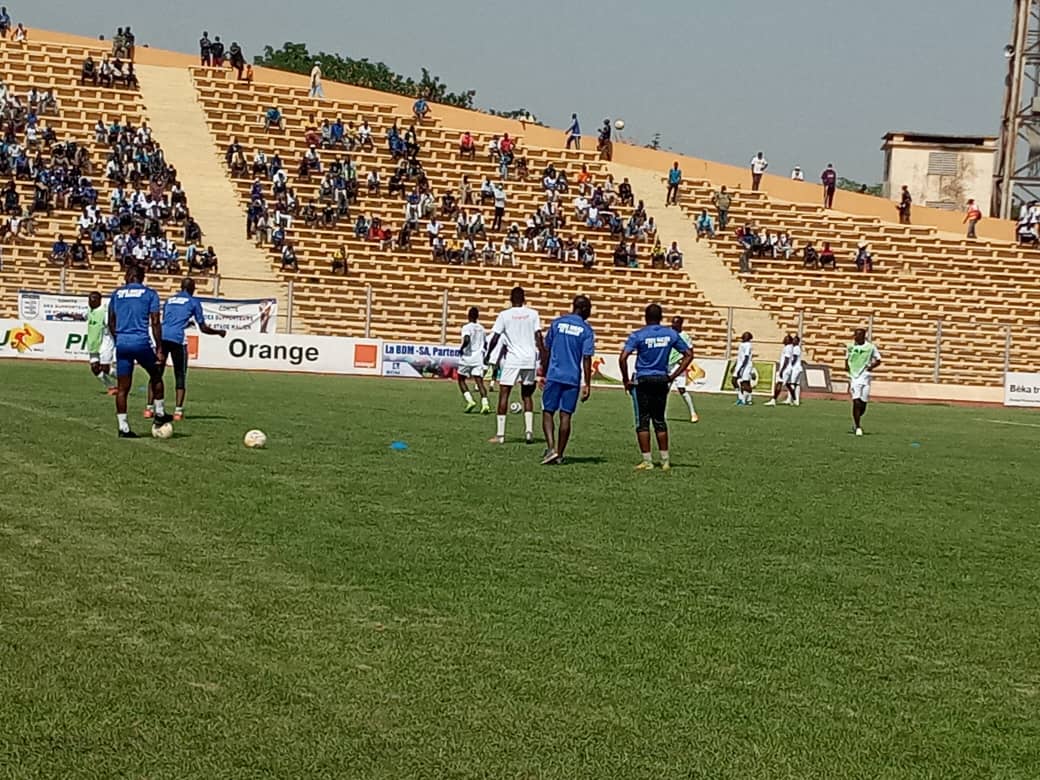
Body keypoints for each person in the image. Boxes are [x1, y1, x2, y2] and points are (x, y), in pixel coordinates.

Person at [619, 304, 694, 471]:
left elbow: (623, 358)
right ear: (661, 317)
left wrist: (626, 380)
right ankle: (665, 460)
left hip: (643, 380)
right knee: (660, 420)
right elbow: (689, 354)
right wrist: (672, 376)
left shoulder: (638, 335)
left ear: (645, 317)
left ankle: (647, 460)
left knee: (642, 421)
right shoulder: (670, 334)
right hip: (661, 379)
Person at [145, 277, 227, 421]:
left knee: (156, 374)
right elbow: (203, 327)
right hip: (177, 339)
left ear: (181, 287)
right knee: (180, 374)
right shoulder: (194, 302)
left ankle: (149, 408)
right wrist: (218, 332)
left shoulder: (170, 300)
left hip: (162, 337)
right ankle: (178, 411)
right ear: (193, 288)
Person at [108, 265, 172, 437]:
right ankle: (159, 413)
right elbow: (156, 322)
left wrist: (119, 339)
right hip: (140, 342)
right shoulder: (150, 294)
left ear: (128, 276)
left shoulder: (117, 294)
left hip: (122, 344)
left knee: (122, 389)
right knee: (156, 374)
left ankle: (123, 428)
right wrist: (159, 348)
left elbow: (111, 322)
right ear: (142, 277)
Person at [540, 295, 595, 465]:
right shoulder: (586, 330)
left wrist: (543, 372)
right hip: (572, 377)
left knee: (548, 411)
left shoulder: (557, 323)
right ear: (585, 309)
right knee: (566, 416)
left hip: (554, 374)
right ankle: (560, 454)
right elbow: (587, 358)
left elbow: (546, 349)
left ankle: (550, 448)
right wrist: (587, 383)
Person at [485, 286, 543, 445]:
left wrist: (489, 354)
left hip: (513, 359)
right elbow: (539, 336)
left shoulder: (504, 315)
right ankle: (529, 432)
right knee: (527, 395)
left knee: (504, 394)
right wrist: (544, 356)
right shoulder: (533, 314)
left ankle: (500, 435)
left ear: (510, 299)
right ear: (525, 299)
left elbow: (495, 337)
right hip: (530, 358)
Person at [846, 328, 881, 436]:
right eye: (855, 335)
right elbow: (847, 358)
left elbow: (878, 360)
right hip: (854, 377)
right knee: (856, 401)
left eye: (858, 335)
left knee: (863, 405)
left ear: (863, 336)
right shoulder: (850, 346)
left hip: (865, 377)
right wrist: (847, 368)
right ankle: (858, 427)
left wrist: (871, 367)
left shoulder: (870, 347)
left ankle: (856, 420)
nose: (855, 337)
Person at [458, 306, 491, 414]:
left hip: (467, 357)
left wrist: (462, 348)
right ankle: (485, 404)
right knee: (479, 382)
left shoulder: (466, 327)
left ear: (468, 316)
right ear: (477, 316)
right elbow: (485, 343)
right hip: (478, 358)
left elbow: (467, 339)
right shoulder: (481, 328)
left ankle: (470, 401)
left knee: (461, 379)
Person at [669, 316, 698, 423]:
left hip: (678, 365)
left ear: (681, 324)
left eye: (675, 323)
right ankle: (661, 414)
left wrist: (683, 362)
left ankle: (693, 413)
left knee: (682, 389)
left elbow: (690, 352)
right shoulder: (669, 334)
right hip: (667, 365)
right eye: (672, 322)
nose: (673, 324)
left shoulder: (685, 336)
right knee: (663, 391)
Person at [86, 291, 116, 394]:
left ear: (99, 300)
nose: (91, 301)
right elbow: (83, 317)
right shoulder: (89, 310)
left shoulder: (104, 312)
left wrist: (116, 338)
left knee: (105, 368)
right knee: (95, 368)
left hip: (105, 342)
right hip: (93, 344)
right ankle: (112, 387)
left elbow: (112, 325)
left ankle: (123, 378)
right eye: (90, 299)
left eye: (94, 299)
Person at [764, 334, 793, 406]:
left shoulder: (788, 348)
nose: (784, 339)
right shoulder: (789, 347)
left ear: (789, 340)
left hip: (785, 369)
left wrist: (782, 370)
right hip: (788, 368)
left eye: (786, 338)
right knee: (788, 384)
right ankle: (791, 399)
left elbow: (786, 359)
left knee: (779, 383)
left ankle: (774, 399)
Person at [732, 331, 754, 406]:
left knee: (745, 383)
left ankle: (746, 399)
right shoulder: (741, 344)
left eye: (747, 335)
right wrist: (735, 365)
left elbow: (746, 357)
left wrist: (742, 368)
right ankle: (741, 398)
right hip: (740, 364)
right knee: (734, 381)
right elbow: (740, 357)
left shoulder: (748, 345)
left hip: (746, 365)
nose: (745, 336)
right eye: (744, 335)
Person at [787, 335, 803, 406]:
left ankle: (790, 399)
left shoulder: (796, 348)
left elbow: (795, 358)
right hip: (798, 368)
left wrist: (790, 365)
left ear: (797, 341)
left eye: (794, 340)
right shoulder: (796, 348)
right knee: (797, 384)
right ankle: (797, 401)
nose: (793, 341)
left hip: (795, 368)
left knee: (792, 383)